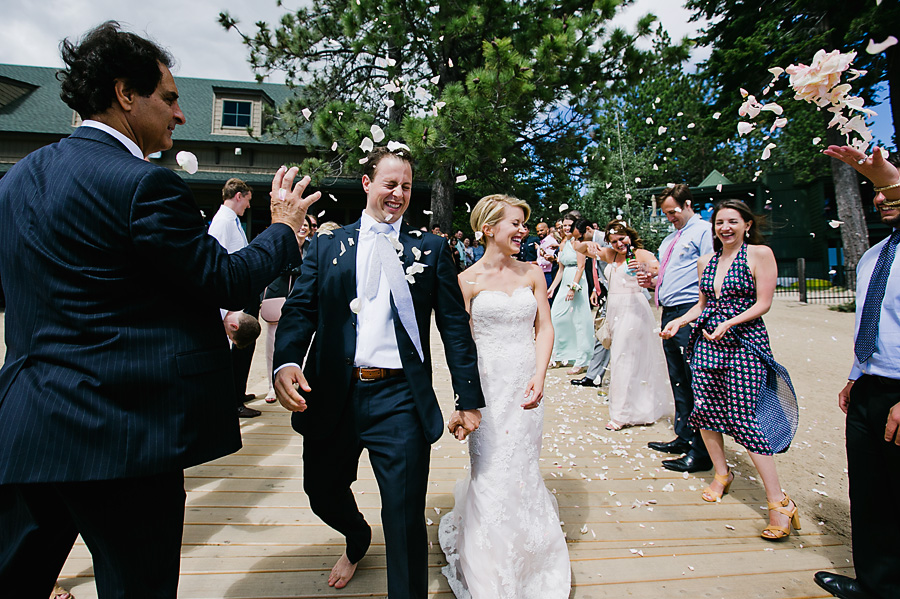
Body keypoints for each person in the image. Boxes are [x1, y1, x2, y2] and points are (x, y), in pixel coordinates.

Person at [0, 22, 318, 598]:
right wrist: (282, 229)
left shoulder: (16, 179)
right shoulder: (143, 185)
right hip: (121, 433)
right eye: (169, 98)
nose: (180, 115)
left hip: (28, 426)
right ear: (126, 94)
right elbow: (221, 277)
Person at [272, 146, 484, 599]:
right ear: (367, 183)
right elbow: (299, 310)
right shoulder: (328, 246)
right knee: (321, 491)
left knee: (404, 516)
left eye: (406, 186)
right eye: (390, 184)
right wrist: (286, 360)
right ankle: (356, 536)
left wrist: (468, 397)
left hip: (400, 398)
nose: (399, 194)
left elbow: (453, 326)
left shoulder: (429, 248)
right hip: (332, 392)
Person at [439, 194, 570, 597]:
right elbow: (458, 346)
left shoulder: (533, 273)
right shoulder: (465, 281)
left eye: (524, 224)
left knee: (523, 467)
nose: (523, 230)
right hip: (487, 389)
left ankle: (533, 556)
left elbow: (544, 327)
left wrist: (540, 374)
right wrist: (464, 403)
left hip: (526, 386)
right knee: (492, 469)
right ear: (489, 228)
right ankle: (489, 566)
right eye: (515, 223)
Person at [661, 199, 799, 540]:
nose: (725, 227)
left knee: (745, 417)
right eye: (720, 222)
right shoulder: (705, 260)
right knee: (705, 411)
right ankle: (722, 473)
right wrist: (680, 319)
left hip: (744, 344)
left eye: (733, 221)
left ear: (746, 225)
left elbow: (763, 303)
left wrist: (730, 323)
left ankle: (778, 501)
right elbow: (704, 305)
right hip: (706, 342)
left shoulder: (760, 254)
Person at [814, 145, 900, 599]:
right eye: (877, 192)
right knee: (871, 495)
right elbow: (875, 319)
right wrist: (855, 373)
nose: (881, 198)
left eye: (890, 189)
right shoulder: (873, 256)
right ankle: (875, 585)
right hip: (870, 387)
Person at [640, 184, 714, 472]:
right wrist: (654, 282)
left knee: (695, 378)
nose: (670, 217)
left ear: (687, 204)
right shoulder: (671, 238)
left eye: (672, 211)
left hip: (689, 311)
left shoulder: (704, 231)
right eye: (666, 213)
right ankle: (684, 435)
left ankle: (702, 449)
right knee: (678, 377)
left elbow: (711, 270)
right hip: (668, 310)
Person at [595, 220, 672, 430]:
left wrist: (644, 268)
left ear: (629, 235)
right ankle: (641, 410)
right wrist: (585, 244)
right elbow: (583, 248)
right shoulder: (611, 255)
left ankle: (621, 415)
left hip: (634, 309)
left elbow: (660, 269)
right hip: (615, 310)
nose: (619, 244)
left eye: (622, 239)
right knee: (627, 358)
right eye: (614, 241)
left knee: (624, 359)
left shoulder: (639, 254)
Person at [208, 177, 262, 417]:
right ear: (238, 196)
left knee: (245, 348)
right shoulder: (222, 223)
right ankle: (233, 400)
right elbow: (217, 263)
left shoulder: (232, 221)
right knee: (238, 348)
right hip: (233, 298)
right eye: (247, 201)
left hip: (243, 294)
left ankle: (239, 391)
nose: (248, 207)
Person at [261, 215, 312, 403]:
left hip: (300, 293)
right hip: (278, 292)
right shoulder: (282, 243)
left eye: (306, 225)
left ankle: (297, 379)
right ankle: (272, 384)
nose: (303, 228)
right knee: (273, 340)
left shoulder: (310, 247)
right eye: (300, 224)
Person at [548, 216, 593, 374]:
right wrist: (552, 287)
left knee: (579, 320)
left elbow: (580, 267)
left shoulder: (578, 243)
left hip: (577, 282)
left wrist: (573, 288)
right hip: (565, 280)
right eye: (563, 226)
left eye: (569, 225)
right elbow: (560, 269)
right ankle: (559, 355)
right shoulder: (563, 244)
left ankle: (582, 360)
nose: (566, 228)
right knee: (556, 316)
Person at [535, 221, 559, 289]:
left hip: (549, 273)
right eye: (538, 231)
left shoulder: (550, 241)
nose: (539, 233)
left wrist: (540, 262)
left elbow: (548, 260)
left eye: (541, 230)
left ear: (547, 230)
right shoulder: (543, 242)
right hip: (543, 273)